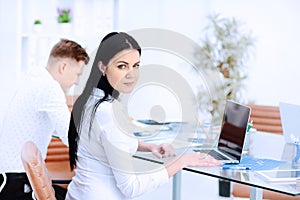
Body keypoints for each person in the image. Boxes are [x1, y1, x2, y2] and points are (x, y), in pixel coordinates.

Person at [66, 32, 221, 200]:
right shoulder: (108, 111)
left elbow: (106, 142)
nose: (131, 74)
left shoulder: (90, 99)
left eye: (136, 65)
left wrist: (149, 147)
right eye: (122, 66)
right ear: (102, 67)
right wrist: (181, 162)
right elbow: (132, 187)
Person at [0, 39, 89, 200]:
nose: (76, 81)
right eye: (77, 74)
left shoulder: (32, 78)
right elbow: (72, 137)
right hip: (18, 185)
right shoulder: (49, 87)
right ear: (63, 67)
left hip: (8, 179)